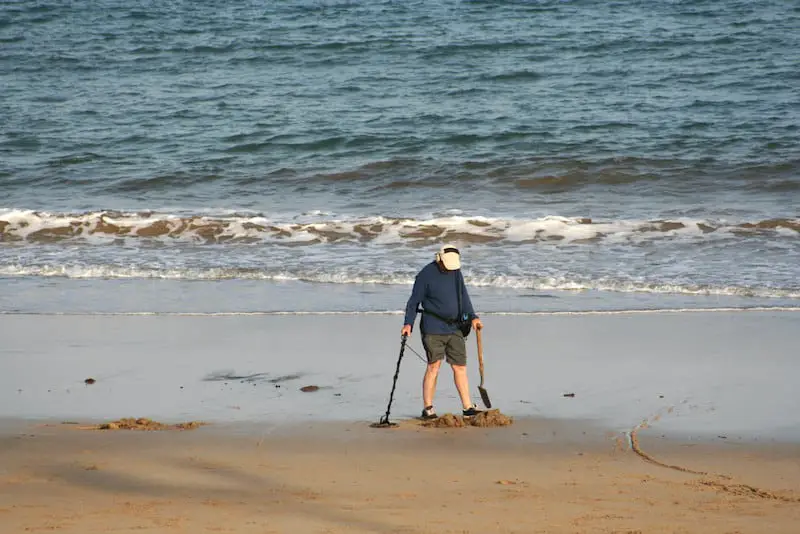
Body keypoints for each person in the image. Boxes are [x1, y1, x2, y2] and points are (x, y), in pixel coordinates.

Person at [401, 244, 484, 419]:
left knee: (460, 367)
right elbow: (413, 302)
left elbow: (464, 296)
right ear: (439, 258)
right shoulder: (425, 275)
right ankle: (428, 408)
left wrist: (473, 317)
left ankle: (467, 407)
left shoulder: (456, 272)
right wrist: (408, 324)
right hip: (433, 328)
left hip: (455, 328)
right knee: (434, 366)